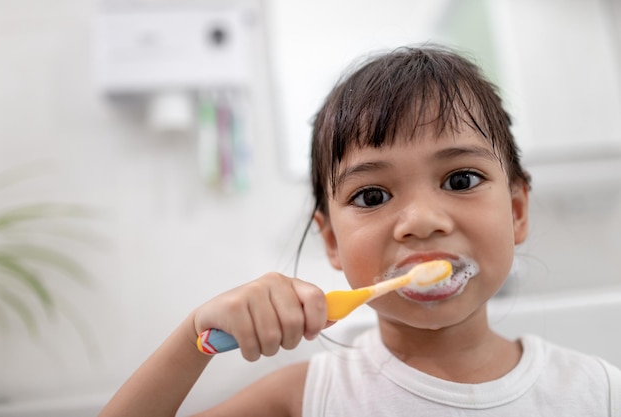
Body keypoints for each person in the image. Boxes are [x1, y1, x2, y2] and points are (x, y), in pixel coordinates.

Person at [98, 44, 620, 416]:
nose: (420, 221)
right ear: (331, 241)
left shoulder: (598, 393)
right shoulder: (304, 400)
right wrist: (193, 340)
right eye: (372, 196)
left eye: (460, 179)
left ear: (518, 212)